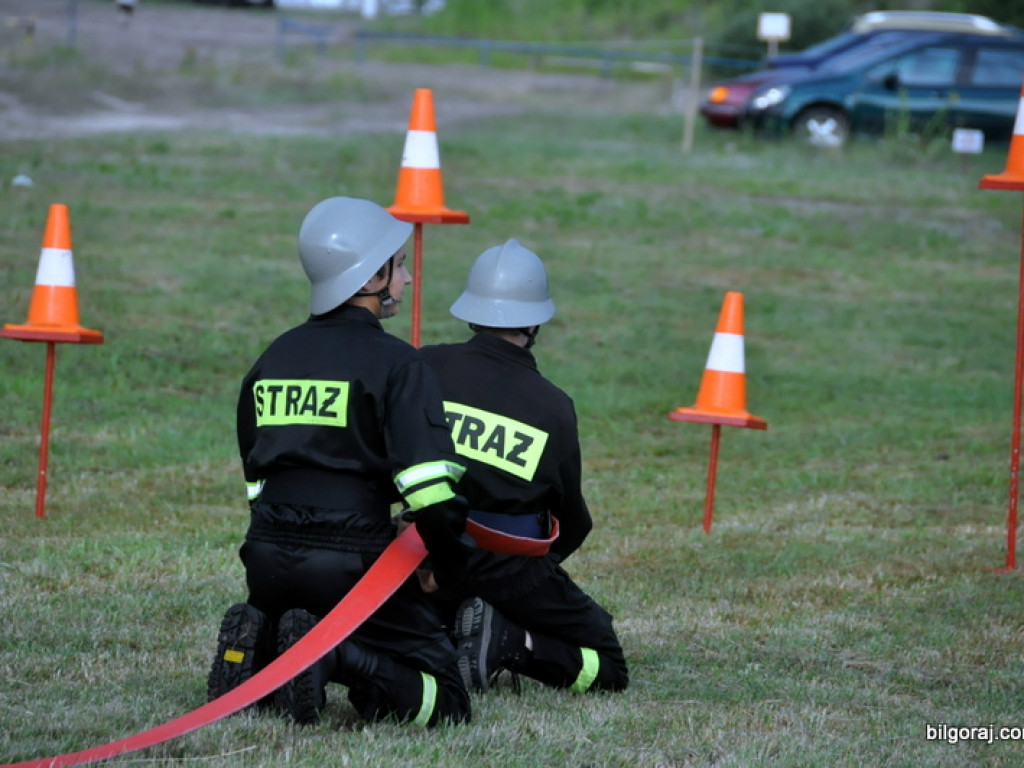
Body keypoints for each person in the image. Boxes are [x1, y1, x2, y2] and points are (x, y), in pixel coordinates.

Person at [206, 196, 472, 728]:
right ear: (372, 275)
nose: (407, 279)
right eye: (398, 266)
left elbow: (256, 478)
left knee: (297, 611)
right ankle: (330, 656)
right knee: (447, 700)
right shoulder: (398, 364)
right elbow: (431, 492)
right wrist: (448, 564)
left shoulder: (273, 357)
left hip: (265, 558)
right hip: (350, 565)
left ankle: (258, 643)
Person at [419, 239, 629, 695]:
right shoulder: (553, 406)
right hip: (509, 569)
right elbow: (574, 521)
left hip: (424, 556)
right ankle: (512, 642)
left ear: (470, 310)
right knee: (608, 665)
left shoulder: (427, 366)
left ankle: (450, 625)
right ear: (535, 321)